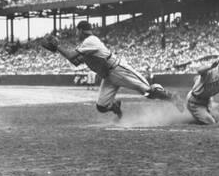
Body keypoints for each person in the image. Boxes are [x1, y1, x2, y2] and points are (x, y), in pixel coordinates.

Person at [43, 21, 181, 118]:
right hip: (108, 76)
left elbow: (72, 55)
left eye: (77, 31)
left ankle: (171, 97)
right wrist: (58, 49)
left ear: (80, 30)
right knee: (102, 107)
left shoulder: (91, 40)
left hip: (118, 69)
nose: (76, 33)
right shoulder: (86, 43)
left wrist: (58, 47)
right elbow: (75, 62)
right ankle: (115, 107)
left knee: (149, 92)